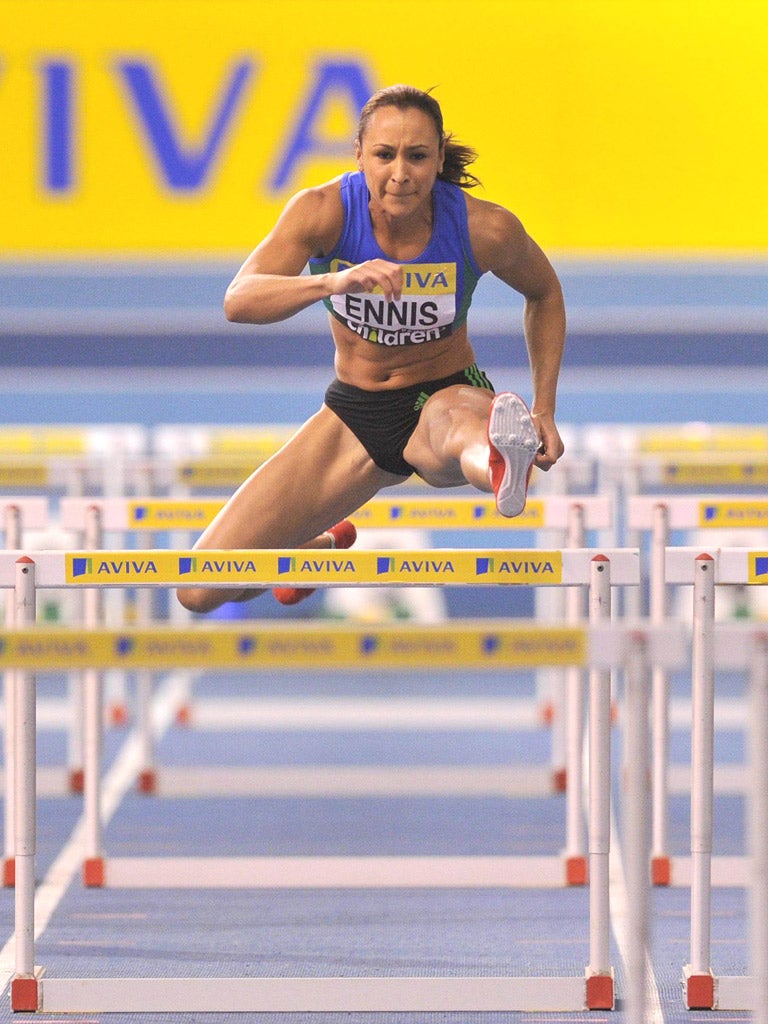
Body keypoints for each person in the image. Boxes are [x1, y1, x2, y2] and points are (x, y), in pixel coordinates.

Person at [177, 84, 565, 615]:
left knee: (460, 435)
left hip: (445, 394)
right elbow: (239, 300)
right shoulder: (322, 213)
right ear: (359, 154)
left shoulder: (482, 227)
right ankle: (313, 551)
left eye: (418, 156)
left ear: (437, 158)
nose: (400, 173)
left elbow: (544, 293)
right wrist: (333, 283)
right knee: (199, 589)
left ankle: (501, 460)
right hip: (355, 412)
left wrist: (543, 408)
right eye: (384, 155)